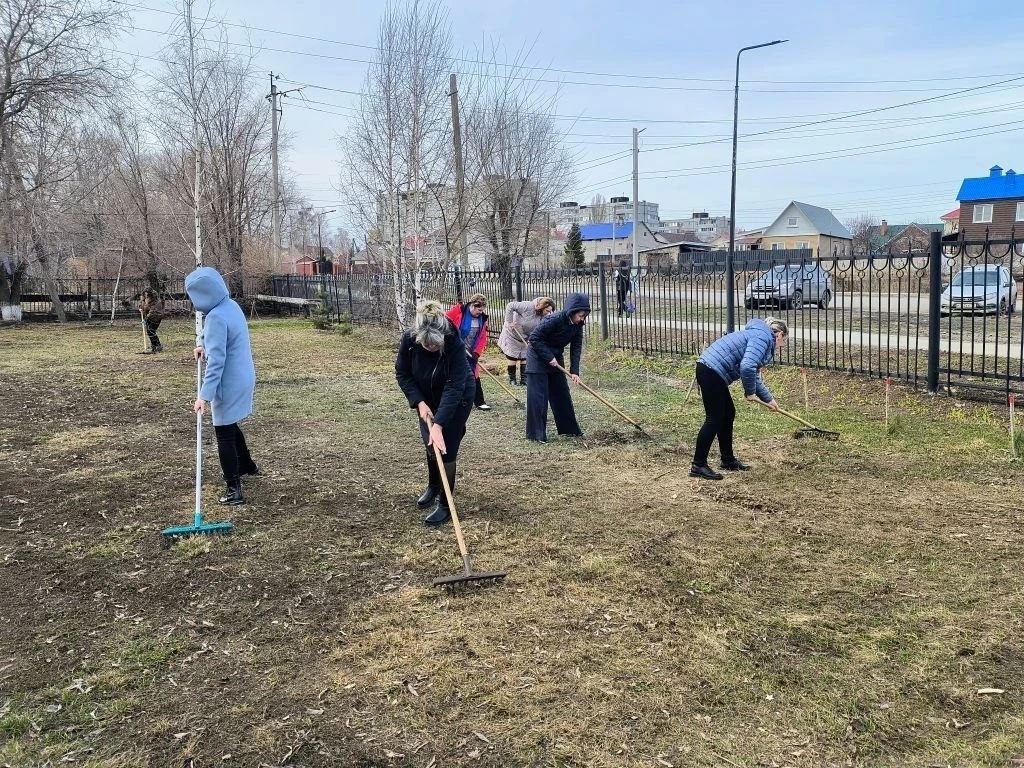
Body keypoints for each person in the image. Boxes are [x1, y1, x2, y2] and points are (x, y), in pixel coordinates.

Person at [396, 300, 476, 526]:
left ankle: (445, 504)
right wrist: (419, 402)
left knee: (445, 447)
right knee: (430, 444)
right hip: (426, 397)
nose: (431, 349)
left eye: (435, 346)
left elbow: (455, 385)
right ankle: (433, 486)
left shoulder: (453, 341)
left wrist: (440, 424)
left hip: (457, 395)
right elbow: (402, 373)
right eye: (427, 345)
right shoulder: (409, 339)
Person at [187, 267, 258, 506]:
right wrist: (201, 343)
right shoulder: (229, 306)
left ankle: (233, 489)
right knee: (230, 422)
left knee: (224, 433)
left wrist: (203, 396)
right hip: (243, 376)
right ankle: (247, 465)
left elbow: (216, 362)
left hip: (229, 382)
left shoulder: (216, 316)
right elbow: (213, 334)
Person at [690, 317, 788, 480]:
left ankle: (727, 460)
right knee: (714, 418)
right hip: (711, 370)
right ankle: (698, 465)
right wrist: (750, 392)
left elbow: (753, 373)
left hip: (710, 369)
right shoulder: (763, 338)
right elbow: (747, 367)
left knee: (728, 414)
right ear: (780, 335)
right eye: (783, 342)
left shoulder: (759, 335)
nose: (780, 347)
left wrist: (769, 399)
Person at [525, 292, 591, 443]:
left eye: (584, 316)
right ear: (572, 311)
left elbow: (576, 348)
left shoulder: (577, 325)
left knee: (562, 394)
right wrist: (549, 357)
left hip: (555, 357)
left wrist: (575, 372)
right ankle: (536, 434)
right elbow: (534, 338)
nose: (582, 319)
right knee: (539, 397)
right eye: (581, 315)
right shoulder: (554, 319)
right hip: (537, 357)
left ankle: (569, 429)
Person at [496, 296, 555, 386]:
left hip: (527, 337)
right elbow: (510, 305)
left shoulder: (544, 316)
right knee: (512, 357)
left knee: (525, 357)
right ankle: (512, 379)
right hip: (512, 334)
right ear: (542, 307)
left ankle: (524, 379)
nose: (548, 313)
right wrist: (509, 321)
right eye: (547, 310)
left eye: (550, 311)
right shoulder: (527, 306)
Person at [446, 293, 491, 411]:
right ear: (472, 305)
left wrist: (477, 352)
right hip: (455, 350)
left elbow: (482, 338)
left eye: (482, 310)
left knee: (474, 375)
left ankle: (480, 402)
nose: (480, 312)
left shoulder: (482, 319)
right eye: (478, 310)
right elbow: (445, 324)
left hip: (471, 351)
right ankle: (452, 400)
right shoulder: (458, 311)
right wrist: (453, 341)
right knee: (455, 374)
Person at [139, 287, 166, 352]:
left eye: (146, 295)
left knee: (151, 331)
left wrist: (146, 319)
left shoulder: (155, 300)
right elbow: (143, 305)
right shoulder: (144, 298)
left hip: (156, 316)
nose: (145, 296)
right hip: (149, 316)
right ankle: (154, 346)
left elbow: (153, 311)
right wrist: (140, 308)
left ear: (149, 294)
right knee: (150, 331)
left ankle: (157, 346)